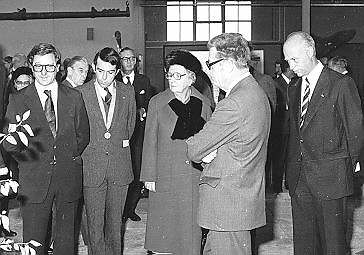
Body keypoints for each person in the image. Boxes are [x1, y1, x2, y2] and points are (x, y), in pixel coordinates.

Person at [186, 33, 271, 255]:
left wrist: (207, 151)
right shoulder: (255, 92)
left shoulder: (233, 103)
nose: (207, 71)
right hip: (240, 201)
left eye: (210, 64)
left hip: (227, 206)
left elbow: (194, 149)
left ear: (226, 64)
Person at [2, 42, 90, 255]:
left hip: (68, 178)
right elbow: (8, 142)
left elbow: (82, 136)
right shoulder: (19, 99)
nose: (44, 72)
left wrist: (64, 156)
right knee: (34, 242)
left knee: (66, 243)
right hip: (33, 180)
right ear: (31, 67)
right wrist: (31, 160)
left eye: (49, 66)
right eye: (39, 66)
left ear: (58, 66)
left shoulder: (74, 97)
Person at [283, 31, 363, 255]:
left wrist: (345, 171)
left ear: (310, 52)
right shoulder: (294, 88)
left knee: (333, 246)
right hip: (300, 179)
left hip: (331, 180)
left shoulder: (340, 83)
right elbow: (294, 133)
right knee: (305, 245)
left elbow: (355, 132)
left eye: (294, 59)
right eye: (287, 60)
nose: (290, 65)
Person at [141, 50, 211, 255]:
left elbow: (209, 141)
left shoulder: (204, 103)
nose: (172, 80)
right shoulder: (157, 102)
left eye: (178, 75)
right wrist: (148, 176)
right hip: (164, 174)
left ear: (191, 78)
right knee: (163, 233)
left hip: (193, 175)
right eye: (169, 75)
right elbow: (149, 141)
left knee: (189, 232)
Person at [78, 47, 136, 255]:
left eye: (110, 72)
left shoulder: (128, 93)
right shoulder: (80, 93)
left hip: (119, 168)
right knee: (95, 225)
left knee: (115, 225)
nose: (104, 77)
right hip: (92, 168)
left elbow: (129, 128)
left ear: (117, 71)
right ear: (94, 68)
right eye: (100, 71)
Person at [119, 47, 151, 222]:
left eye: (132, 59)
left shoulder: (143, 81)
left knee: (137, 172)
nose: (129, 62)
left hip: (138, 136)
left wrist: (142, 108)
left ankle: (130, 209)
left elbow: (148, 104)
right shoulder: (113, 80)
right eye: (125, 59)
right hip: (119, 135)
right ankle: (120, 209)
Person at [271, 60, 296, 193]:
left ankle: (288, 183)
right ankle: (276, 186)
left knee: (290, 157)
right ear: (288, 69)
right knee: (279, 158)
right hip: (279, 129)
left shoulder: (296, 83)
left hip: (292, 128)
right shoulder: (275, 83)